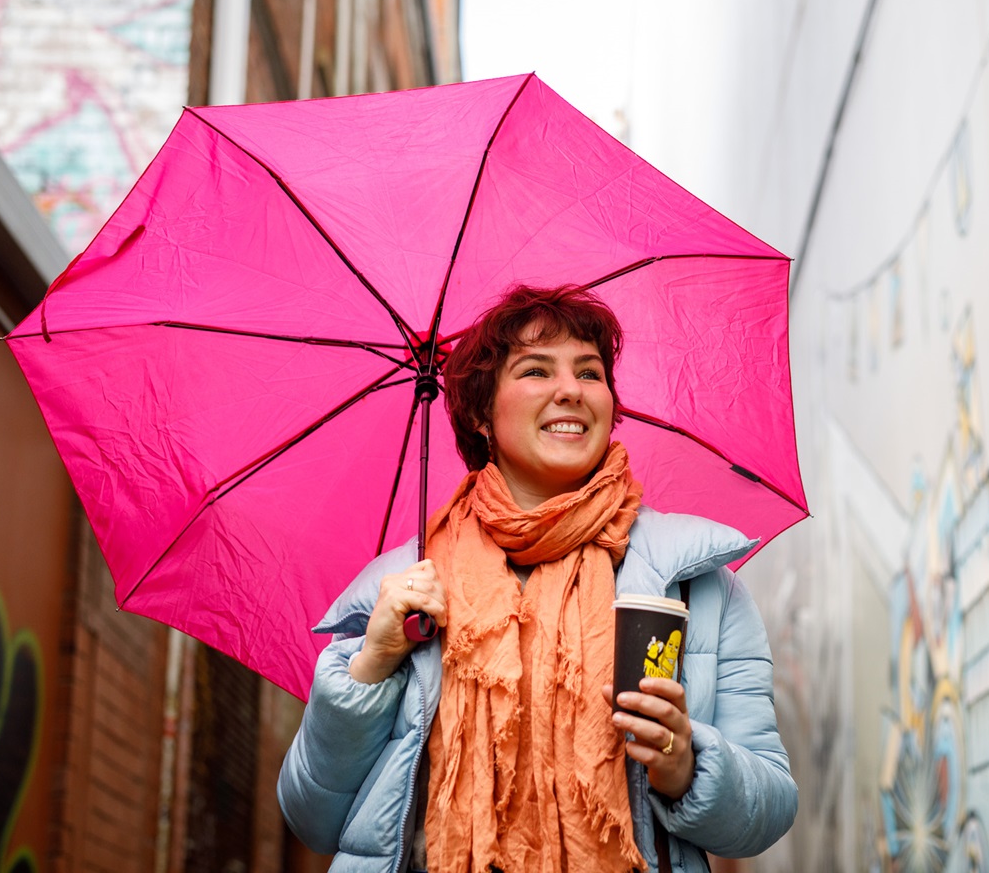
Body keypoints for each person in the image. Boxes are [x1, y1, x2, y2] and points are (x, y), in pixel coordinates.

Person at [278, 285, 797, 872]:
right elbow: (312, 817)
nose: (570, 391)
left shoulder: (697, 584)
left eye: (589, 371)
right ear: (480, 414)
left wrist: (685, 766)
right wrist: (371, 666)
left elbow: (771, 806)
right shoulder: (404, 589)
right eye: (535, 370)